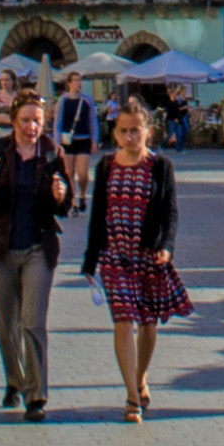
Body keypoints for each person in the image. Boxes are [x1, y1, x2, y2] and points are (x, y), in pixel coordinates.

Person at [82, 99, 190, 422]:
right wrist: (91, 259)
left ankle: (140, 375)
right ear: (115, 133)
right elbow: (98, 214)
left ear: (148, 131)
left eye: (136, 131)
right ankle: (132, 397)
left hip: (148, 257)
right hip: (115, 257)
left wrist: (167, 247)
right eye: (124, 131)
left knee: (148, 326)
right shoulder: (105, 166)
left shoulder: (161, 166)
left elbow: (170, 212)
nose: (130, 137)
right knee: (123, 321)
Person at [0, 96, 74, 419]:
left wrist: (62, 196)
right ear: (13, 121)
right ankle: (15, 380)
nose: (32, 127)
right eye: (26, 120)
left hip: (37, 249)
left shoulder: (53, 153)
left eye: (37, 121)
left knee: (32, 322)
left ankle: (36, 395)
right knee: (6, 324)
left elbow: (65, 205)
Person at [53, 81, 100, 208]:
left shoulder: (87, 100)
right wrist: (57, 142)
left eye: (80, 80)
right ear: (69, 83)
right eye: (75, 81)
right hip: (67, 140)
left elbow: (92, 120)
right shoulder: (63, 100)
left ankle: (83, 193)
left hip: (84, 139)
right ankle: (73, 200)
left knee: (83, 173)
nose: (78, 83)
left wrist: (95, 140)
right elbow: (58, 121)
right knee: (69, 172)